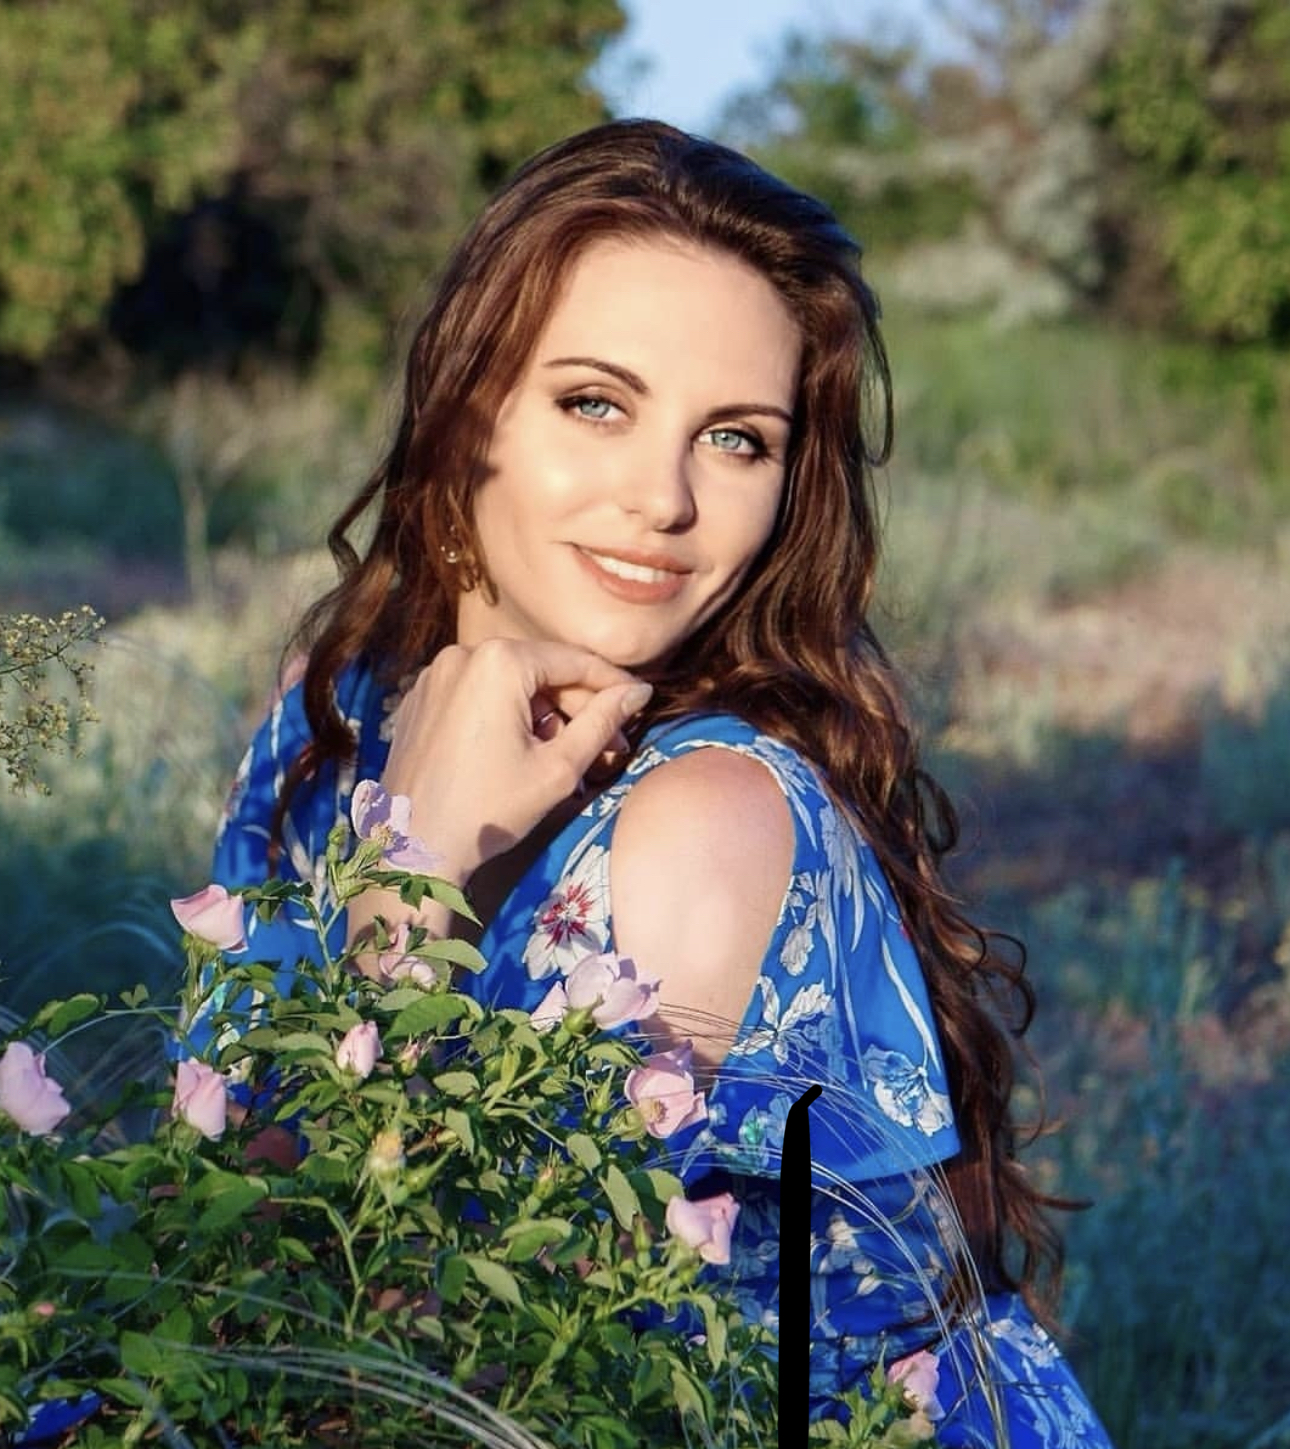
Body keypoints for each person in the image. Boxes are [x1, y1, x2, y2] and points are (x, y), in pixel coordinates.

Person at [209, 119, 1114, 1445]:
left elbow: (419, 1373)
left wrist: (412, 882)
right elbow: (199, 1213)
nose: (665, 500)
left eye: (736, 439)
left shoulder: (704, 824)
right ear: (465, 409)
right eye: (596, 403)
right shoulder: (330, 712)